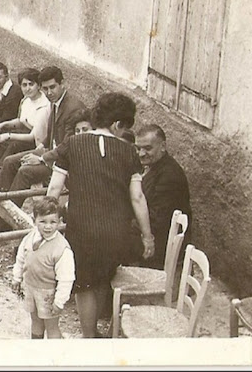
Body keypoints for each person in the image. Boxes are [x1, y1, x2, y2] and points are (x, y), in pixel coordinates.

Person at [45, 92, 154, 338]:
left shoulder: (72, 144)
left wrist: (47, 225)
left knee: (84, 284)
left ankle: (89, 335)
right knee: (104, 277)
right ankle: (94, 335)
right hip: (116, 231)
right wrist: (148, 236)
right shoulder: (128, 153)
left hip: (81, 229)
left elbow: (54, 189)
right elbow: (137, 197)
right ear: (117, 124)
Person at [0, 66, 85, 226]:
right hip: (50, 152)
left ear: (63, 84)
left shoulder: (73, 108)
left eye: (53, 87)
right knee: (10, 161)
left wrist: (41, 158)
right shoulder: (55, 102)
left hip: (64, 162)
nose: (49, 92)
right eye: (45, 88)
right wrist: (42, 147)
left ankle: (5, 222)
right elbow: (52, 135)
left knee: (25, 171)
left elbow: (68, 145)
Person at [12, 196, 75, 339]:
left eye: (53, 222)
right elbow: (21, 258)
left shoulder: (61, 249)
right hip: (30, 288)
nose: (48, 226)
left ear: (60, 222)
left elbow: (66, 279)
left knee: (51, 326)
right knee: (35, 321)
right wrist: (17, 278)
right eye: (43, 222)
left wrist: (59, 301)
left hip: (48, 294)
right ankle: (37, 352)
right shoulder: (29, 238)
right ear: (34, 220)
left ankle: (55, 357)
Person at [133, 124, 192, 269]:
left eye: (147, 148)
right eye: (138, 148)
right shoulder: (151, 165)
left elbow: (157, 221)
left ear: (163, 146)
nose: (141, 153)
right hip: (150, 235)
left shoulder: (169, 176)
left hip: (160, 246)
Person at [0, 68, 50, 182]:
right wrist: (4, 124)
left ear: (39, 85)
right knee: (4, 141)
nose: (27, 88)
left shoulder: (44, 106)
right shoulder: (26, 100)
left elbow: (33, 136)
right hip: (25, 133)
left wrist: (7, 135)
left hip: (37, 141)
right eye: (24, 85)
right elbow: (21, 120)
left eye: (31, 84)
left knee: (12, 145)